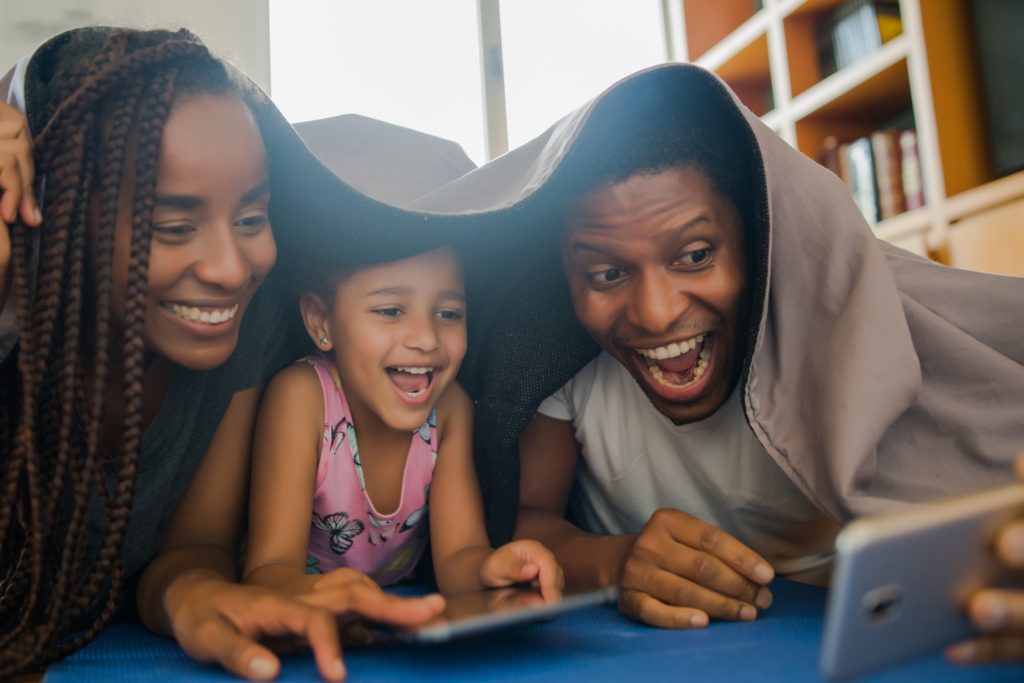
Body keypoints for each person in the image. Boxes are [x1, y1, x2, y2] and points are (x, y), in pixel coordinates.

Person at [400, 64, 1024, 663]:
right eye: (607, 273)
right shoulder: (569, 371)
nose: (655, 313)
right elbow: (529, 517)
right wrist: (616, 560)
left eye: (695, 255)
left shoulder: (846, 330)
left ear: (757, 242)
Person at [0, 26, 482, 681]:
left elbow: (195, 547)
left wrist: (194, 595)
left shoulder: (243, 332)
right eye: (173, 227)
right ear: (60, 221)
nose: (232, 268)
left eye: (253, 218)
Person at [243, 244, 563, 602]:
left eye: (448, 313)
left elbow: (458, 556)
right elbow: (269, 571)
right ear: (321, 320)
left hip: (393, 616)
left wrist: (493, 571)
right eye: (390, 310)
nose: (426, 339)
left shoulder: (450, 408)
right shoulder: (303, 397)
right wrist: (333, 599)